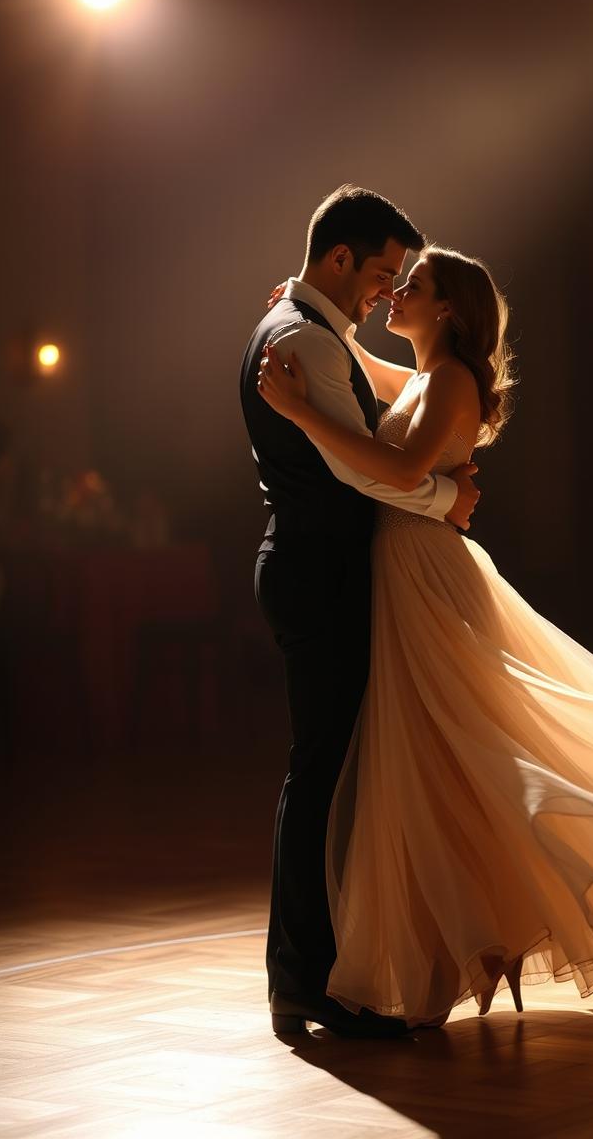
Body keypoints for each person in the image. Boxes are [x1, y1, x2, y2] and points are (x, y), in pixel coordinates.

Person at [257, 242, 593, 1029]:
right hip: (408, 572)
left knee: (470, 751)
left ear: (446, 308)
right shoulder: (433, 377)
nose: (397, 291)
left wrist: (300, 411)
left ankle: (483, 935)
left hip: (423, 575)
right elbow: (372, 379)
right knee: (447, 761)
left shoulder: (455, 381)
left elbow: (398, 474)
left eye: (415, 284)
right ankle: (476, 939)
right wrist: (321, 315)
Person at [239, 185, 481, 1040]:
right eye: (382, 273)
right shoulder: (302, 338)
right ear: (338, 259)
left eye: (401, 282)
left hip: (326, 570)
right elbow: (369, 472)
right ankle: (306, 979)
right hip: (321, 573)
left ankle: (318, 974)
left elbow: (377, 403)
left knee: (338, 774)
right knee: (326, 776)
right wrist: (448, 495)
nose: (387, 291)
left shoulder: (313, 333)